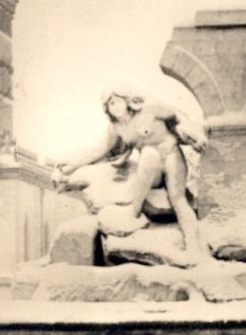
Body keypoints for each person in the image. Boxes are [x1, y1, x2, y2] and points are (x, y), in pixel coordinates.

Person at [55, 86, 207, 257]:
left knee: (178, 200)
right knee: (149, 153)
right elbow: (100, 149)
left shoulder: (150, 109)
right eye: (110, 104)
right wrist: (72, 166)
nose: (115, 107)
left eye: (117, 101)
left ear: (127, 101)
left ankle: (193, 246)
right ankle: (134, 212)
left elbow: (176, 114)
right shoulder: (117, 128)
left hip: (171, 155)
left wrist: (193, 133)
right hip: (151, 168)